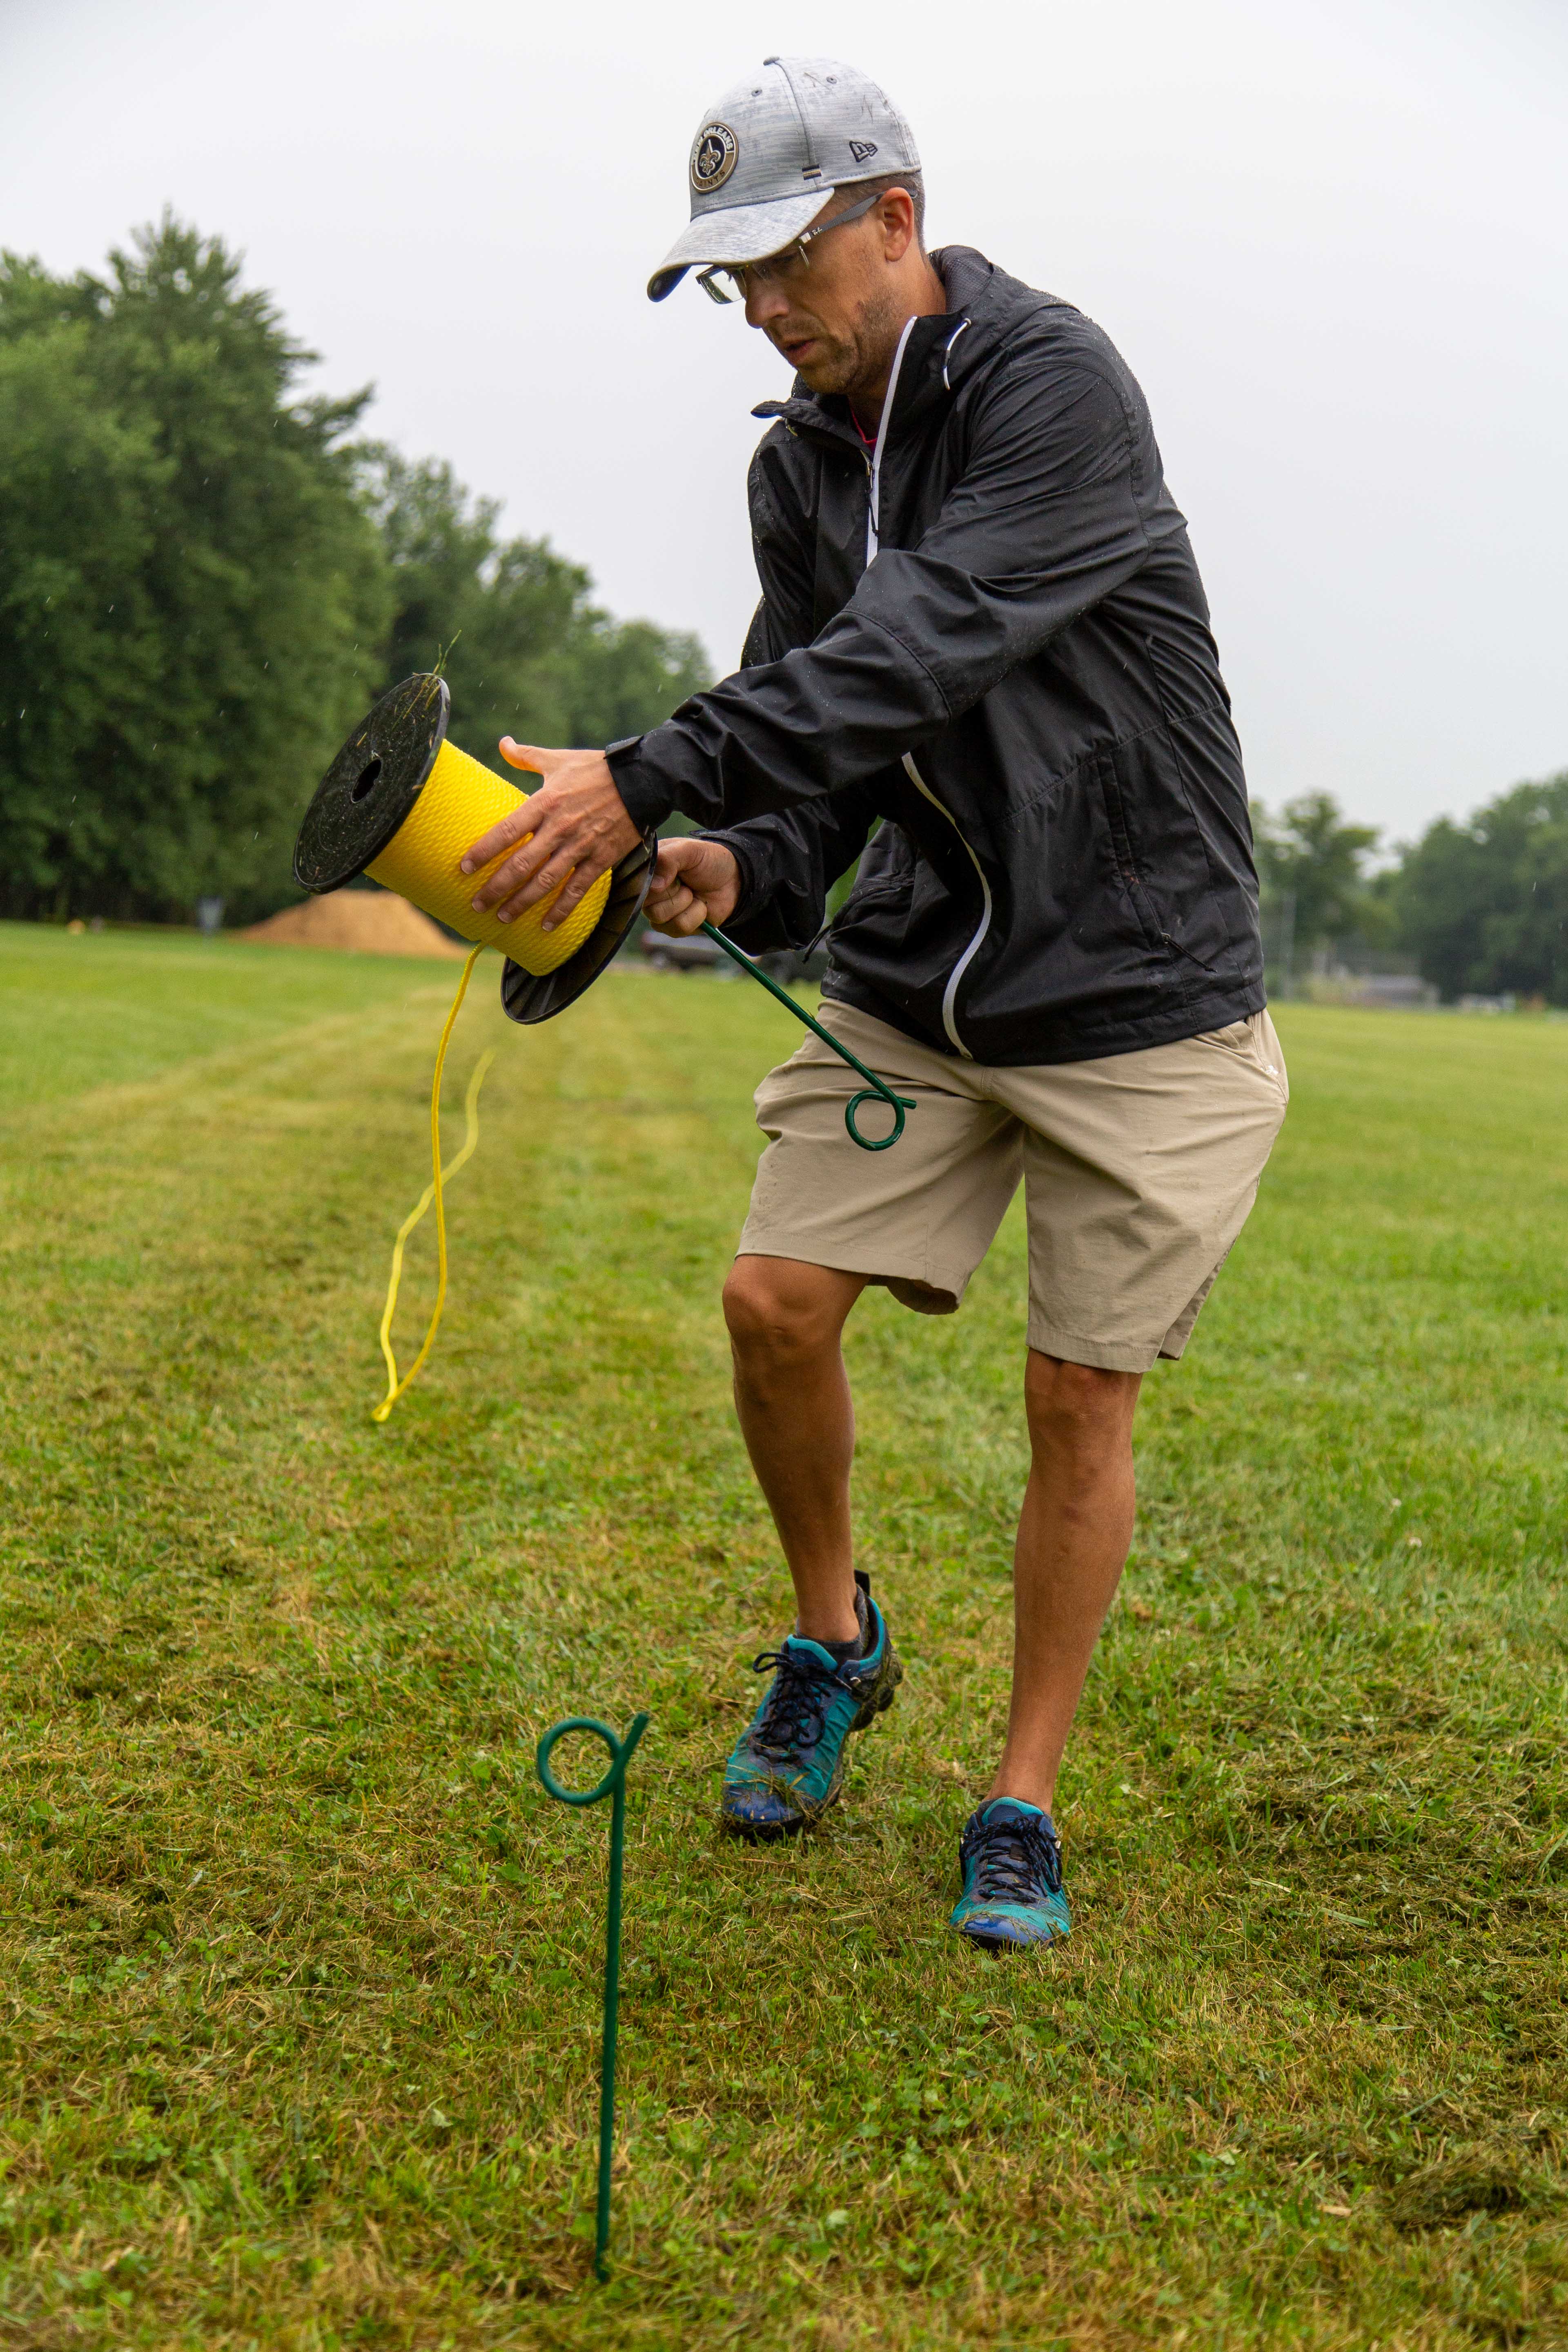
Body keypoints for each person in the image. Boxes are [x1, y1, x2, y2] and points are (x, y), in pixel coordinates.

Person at [458, 56, 1288, 1950]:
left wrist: (649, 771)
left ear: (895, 221)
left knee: (1081, 1396)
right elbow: (823, 750)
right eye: (727, 277)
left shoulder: (1051, 390)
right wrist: (740, 856)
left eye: (781, 259)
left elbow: (929, 643)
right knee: (771, 1303)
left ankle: (1021, 1799)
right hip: (922, 970)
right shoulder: (795, 466)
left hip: (1142, 984)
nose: (757, 305)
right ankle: (836, 1641)